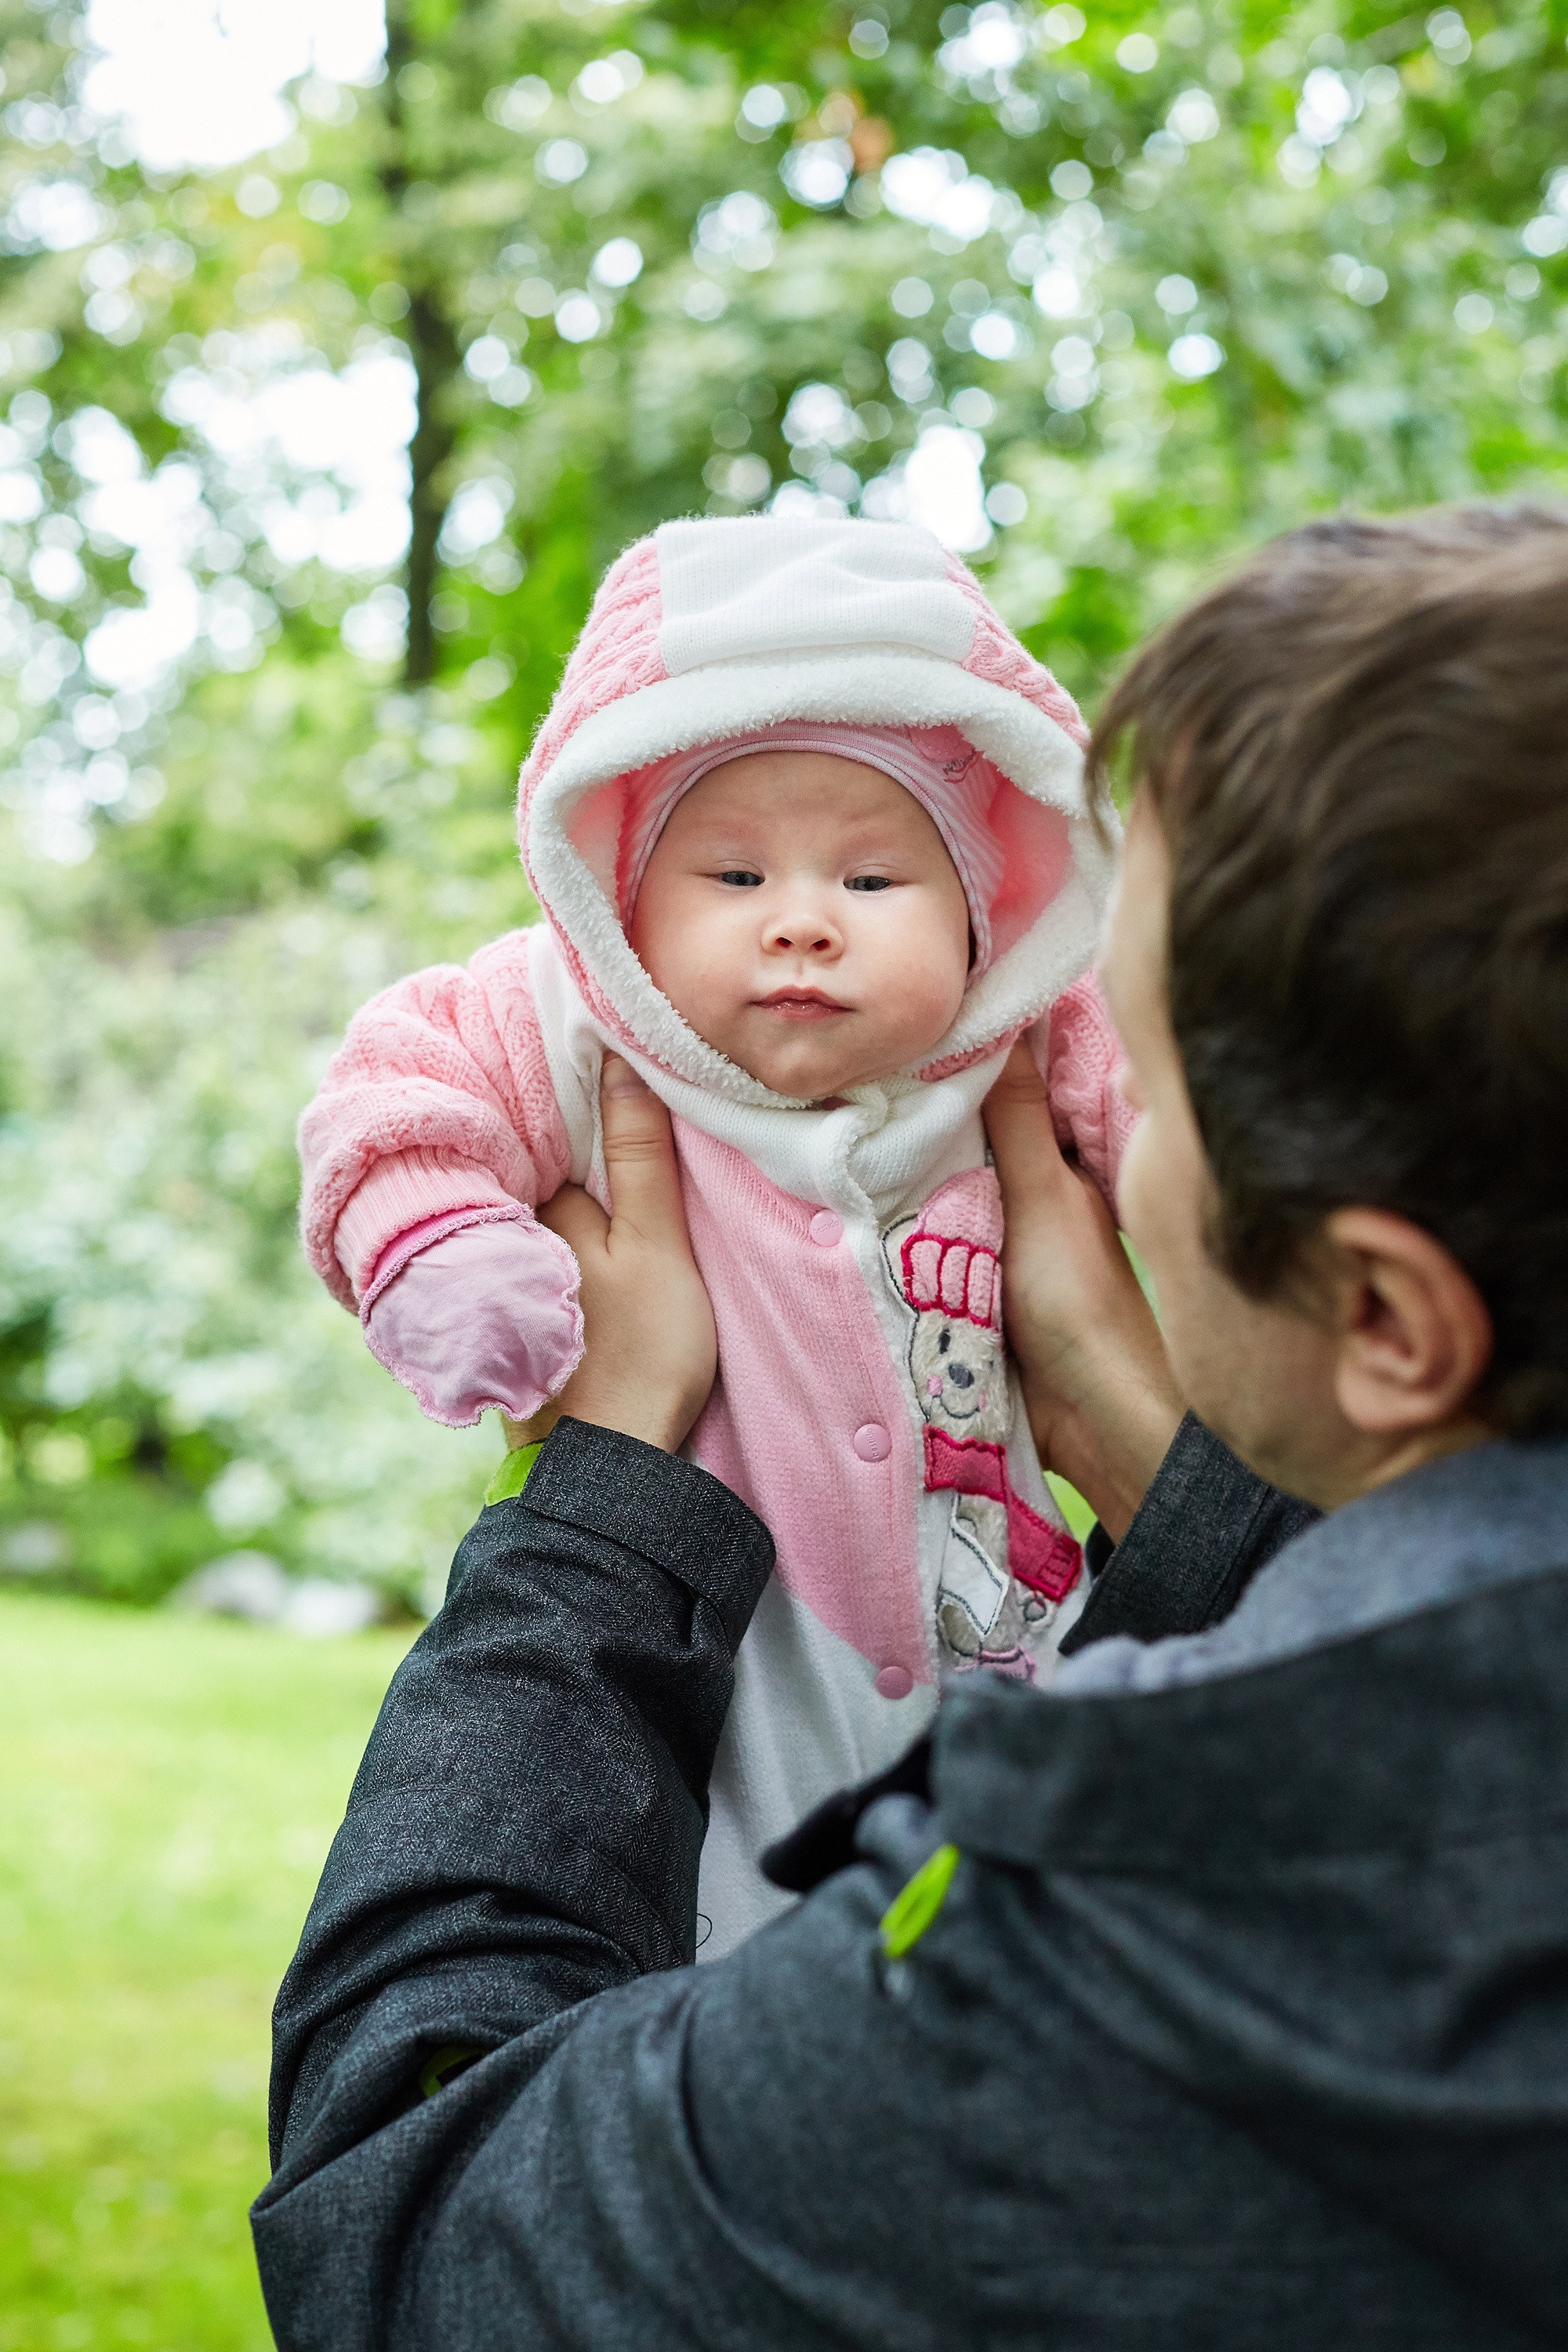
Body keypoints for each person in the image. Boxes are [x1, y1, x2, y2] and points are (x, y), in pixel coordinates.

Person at [256, 506, 1568, 2349]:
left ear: (1382, 1315)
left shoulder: (1104, 1929)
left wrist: (598, 1501)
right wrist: (1168, 1477)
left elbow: (420, 2237)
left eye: (1145, 1047)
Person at [297, 515, 1134, 1955]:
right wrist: (445, 1250)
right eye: (735, 879)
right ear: (618, 895)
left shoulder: (1037, 1039)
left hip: (994, 1666)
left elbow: (1189, 1126)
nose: (803, 923)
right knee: (700, 1960)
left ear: (990, 910)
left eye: (873, 883)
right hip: (702, 1658)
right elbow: (395, 1095)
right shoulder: (575, 1018)